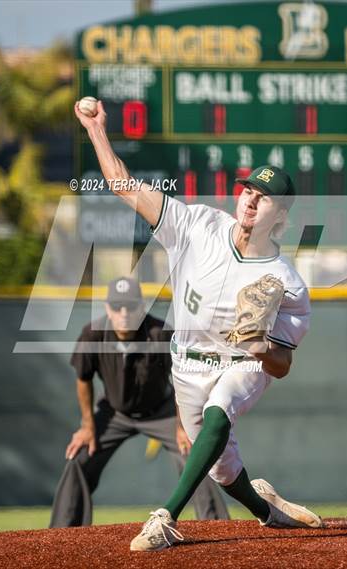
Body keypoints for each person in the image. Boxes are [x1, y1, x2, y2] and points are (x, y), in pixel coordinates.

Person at [74, 100, 323, 551]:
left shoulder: (287, 282)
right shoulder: (197, 225)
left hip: (242, 363)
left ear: (281, 217)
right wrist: (96, 130)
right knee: (222, 469)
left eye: (264, 196)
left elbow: (282, 365)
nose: (251, 199)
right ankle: (267, 508)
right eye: (248, 190)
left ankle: (166, 518)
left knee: (220, 410)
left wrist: (260, 347)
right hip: (186, 367)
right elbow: (123, 186)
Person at [49, 276, 229, 527]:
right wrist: (87, 426)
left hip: (163, 411)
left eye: (131, 306)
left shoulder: (161, 333)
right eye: (117, 306)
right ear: (108, 308)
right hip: (114, 413)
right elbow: (83, 379)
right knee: (79, 456)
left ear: (141, 307)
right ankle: (63, 533)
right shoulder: (93, 335)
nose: (124, 313)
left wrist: (182, 426)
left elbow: (182, 381)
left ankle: (216, 527)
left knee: (196, 452)